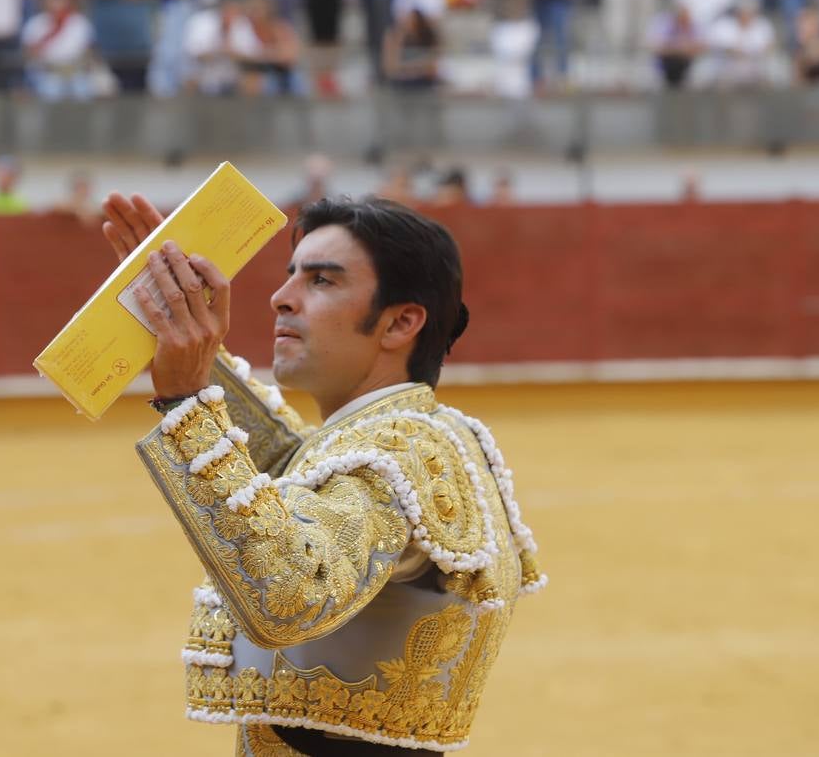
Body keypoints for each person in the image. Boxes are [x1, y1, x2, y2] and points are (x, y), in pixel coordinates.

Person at [96, 190, 545, 757]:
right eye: (290, 277)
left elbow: (291, 593)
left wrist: (187, 402)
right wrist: (185, 343)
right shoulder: (416, 433)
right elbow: (289, 463)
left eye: (321, 281)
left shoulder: (395, 456)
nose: (281, 299)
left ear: (400, 322)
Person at [481, 0, 539, 99]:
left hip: (514, 27)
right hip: (511, 25)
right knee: (510, 77)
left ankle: (519, 119)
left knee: (514, 79)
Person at [22, 0, 95, 101]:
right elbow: (29, 53)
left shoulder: (79, 22)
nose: (57, 3)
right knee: (50, 91)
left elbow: (88, 50)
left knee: (83, 92)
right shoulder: (35, 23)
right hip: (48, 72)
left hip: (76, 71)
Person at [704, 0, 777, 88]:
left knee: (772, 68)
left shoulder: (763, 25)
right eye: (743, 11)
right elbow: (722, 47)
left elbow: (770, 45)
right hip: (728, 64)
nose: (746, 14)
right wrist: (736, 53)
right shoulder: (724, 25)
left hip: (756, 64)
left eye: (749, 11)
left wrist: (755, 54)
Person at [382, 7, 442, 89]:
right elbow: (391, 69)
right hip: (402, 86)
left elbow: (432, 69)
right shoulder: (395, 36)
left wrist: (407, 69)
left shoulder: (428, 37)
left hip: (424, 85)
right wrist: (398, 38)